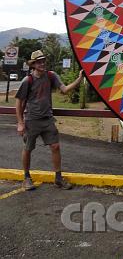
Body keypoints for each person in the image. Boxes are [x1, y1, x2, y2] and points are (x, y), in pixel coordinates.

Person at [15, 50, 84, 191]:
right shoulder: (27, 80)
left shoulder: (51, 76)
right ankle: (26, 178)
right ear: (33, 64)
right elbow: (19, 102)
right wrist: (20, 123)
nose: (42, 63)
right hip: (32, 120)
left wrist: (79, 79)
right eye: (39, 62)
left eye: (43, 61)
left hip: (47, 119)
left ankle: (58, 178)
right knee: (28, 149)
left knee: (55, 147)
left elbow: (64, 90)